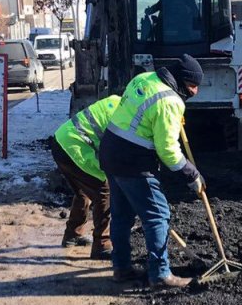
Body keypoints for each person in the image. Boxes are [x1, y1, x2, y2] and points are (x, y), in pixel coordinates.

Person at [99, 54, 205, 290]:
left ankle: (122, 268)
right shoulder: (169, 101)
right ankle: (160, 274)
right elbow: (167, 150)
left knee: (122, 215)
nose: (195, 92)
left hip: (110, 150)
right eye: (192, 86)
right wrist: (191, 174)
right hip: (133, 161)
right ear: (180, 80)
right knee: (158, 215)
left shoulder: (144, 78)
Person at [49, 94, 121, 260]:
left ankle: (72, 235)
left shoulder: (116, 100)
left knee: (83, 191)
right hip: (75, 148)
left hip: (60, 141)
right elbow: (114, 153)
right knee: (104, 192)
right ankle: (102, 245)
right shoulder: (125, 119)